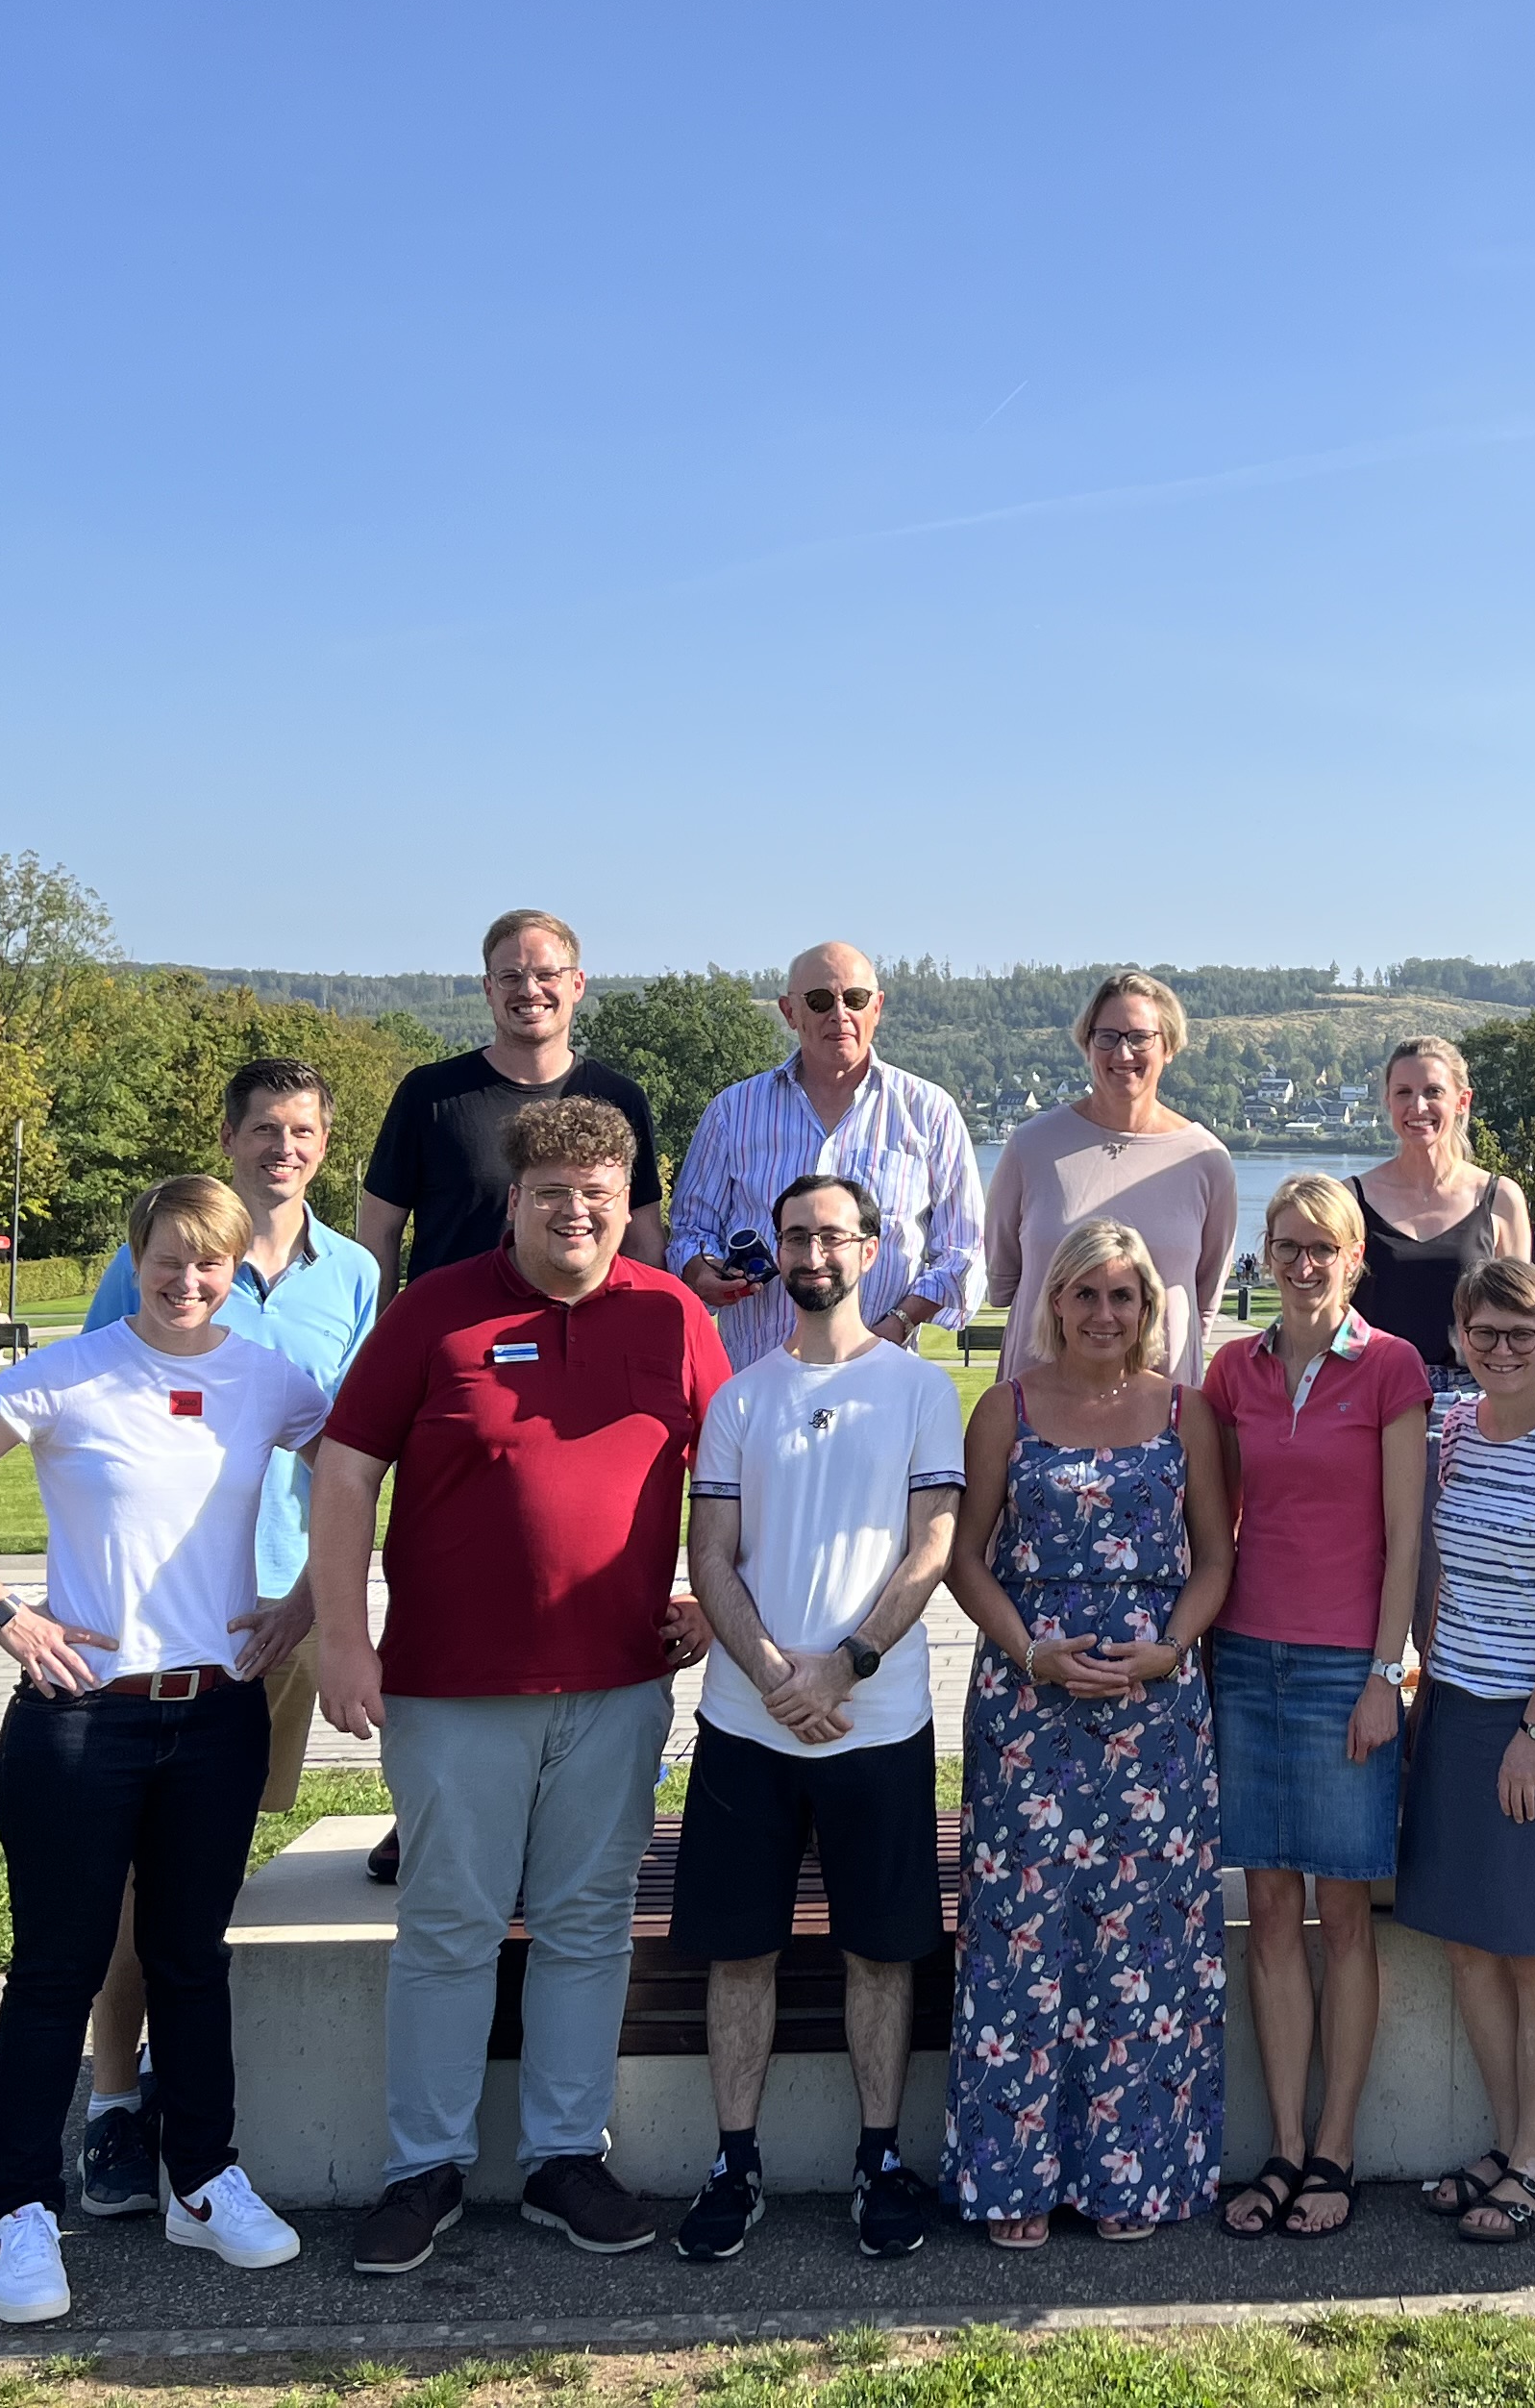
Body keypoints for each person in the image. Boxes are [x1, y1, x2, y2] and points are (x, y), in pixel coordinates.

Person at [0, 1175, 324, 2324]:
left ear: (237, 1270)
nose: (186, 1282)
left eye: (209, 1265)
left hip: (216, 1711)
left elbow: (360, 1481)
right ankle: (21, 2210)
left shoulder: (268, 1378)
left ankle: (204, 2180)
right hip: (81, 1718)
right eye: (168, 1260)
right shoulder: (69, 1372)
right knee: (57, 1969)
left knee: (189, 1960)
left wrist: (307, 1601)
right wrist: (7, 1614)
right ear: (138, 1257)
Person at [310, 1093, 727, 2276]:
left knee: (590, 1927)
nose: (579, 1214)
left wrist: (709, 1589)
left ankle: (561, 2160)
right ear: (515, 1202)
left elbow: (727, 1469)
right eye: (555, 1195)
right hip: (453, 1688)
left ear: (624, 1200)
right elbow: (344, 1477)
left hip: (617, 1685)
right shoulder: (436, 1310)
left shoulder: (672, 1313)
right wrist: (346, 1643)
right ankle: (422, 2169)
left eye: (601, 1195)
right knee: (449, 1926)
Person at [65, 1058, 381, 2218]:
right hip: (158, 1614)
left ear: (324, 1140)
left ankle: (189, 2089)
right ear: (231, 1137)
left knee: (212, 1859)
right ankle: (112, 2100)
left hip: (277, 1612)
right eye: (262, 1129)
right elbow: (92, 1405)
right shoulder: (164, 1259)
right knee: (140, 1874)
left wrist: (319, 1601)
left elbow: (348, 1453)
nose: (282, 1149)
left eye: (302, 1129)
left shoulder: (351, 1271)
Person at [669, 1170, 965, 2265]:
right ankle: (733, 2161)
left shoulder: (919, 1390)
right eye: (796, 1236)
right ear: (780, 1252)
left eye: (833, 1235)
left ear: (871, 1248)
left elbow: (930, 1545)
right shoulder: (741, 1395)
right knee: (735, 1955)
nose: (814, 1253)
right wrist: (773, 1673)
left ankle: (880, 2158)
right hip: (748, 1725)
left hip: (877, 1723)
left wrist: (845, 1666)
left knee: (879, 1957)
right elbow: (711, 1554)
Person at [942, 1218, 1234, 2245]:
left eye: (1125, 1296)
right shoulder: (1003, 1410)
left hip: (1156, 1711)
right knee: (1026, 1943)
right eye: (1086, 1294)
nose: (1105, 1314)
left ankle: (1133, 2178)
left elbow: (1213, 1559)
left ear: (1149, 1307)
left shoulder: (1185, 1412)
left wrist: (1169, 1648)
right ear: (1053, 1301)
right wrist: (1029, 1651)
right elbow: (966, 1558)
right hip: (1030, 1712)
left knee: (1145, 1949)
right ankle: (1015, 2179)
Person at [1199, 1174, 1426, 2243]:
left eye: (1320, 1249)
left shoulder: (1390, 1368)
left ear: (1352, 1260)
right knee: (1271, 1909)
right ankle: (1283, 2145)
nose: (1300, 1265)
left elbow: (1403, 1537)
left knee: (1343, 1916)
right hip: (1245, 1660)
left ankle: (1337, 2146)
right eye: (1284, 1247)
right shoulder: (1230, 1372)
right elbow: (1221, 1521)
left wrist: (1388, 1672)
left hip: (1346, 1669)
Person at [1393, 1255, 1535, 2248]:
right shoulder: (1451, 1432)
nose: (1501, 1350)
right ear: (1459, 1336)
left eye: (1521, 1334)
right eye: (1483, 1334)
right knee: (1470, 1942)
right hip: (1453, 1706)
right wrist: (1421, 1687)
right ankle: (1502, 2138)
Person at [669, 940, 985, 1373]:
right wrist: (701, 1271)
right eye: (819, 1001)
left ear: (877, 1007)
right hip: (756, 1379)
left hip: (880, 1380)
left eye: (854, 999)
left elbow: (963, 1250)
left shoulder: (929, 1113)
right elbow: (690, 1229)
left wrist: (895, 1326)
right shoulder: (732, 1112)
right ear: (789, 1012)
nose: (839, 1014)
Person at [358, 909, 664, 1290]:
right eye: (510, 977)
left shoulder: (619, 1099)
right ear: (489, 989)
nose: (529, 990)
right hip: (452, 1335)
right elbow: (378, 1235)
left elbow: (643, 1240)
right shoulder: (429, 1095)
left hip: (580, 1337)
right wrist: (378, 1339)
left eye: (547, 974)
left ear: (577, 984)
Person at [978, 970, 1234, 1384]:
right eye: (1107, 1036)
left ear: (1168, 1046)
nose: (1123, 1052)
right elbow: (1004, 1279)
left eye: (1140, 1037)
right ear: (1086, 1044)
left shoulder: (1206, 1160)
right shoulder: (1030, 1147)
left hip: (1161, 1409)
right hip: (1039, 1405)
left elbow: (1204, 1298)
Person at [1349, 1038, 1531, 1402]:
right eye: (1403, 1092)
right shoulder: (1351, 1200)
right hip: (1371, 1395)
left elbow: (1522, 1321)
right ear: (1388, 1101)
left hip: (1474, 1400)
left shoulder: (1500, 1198)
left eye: (1433, 1091)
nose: (1418, 1106)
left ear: (1462, 1101)